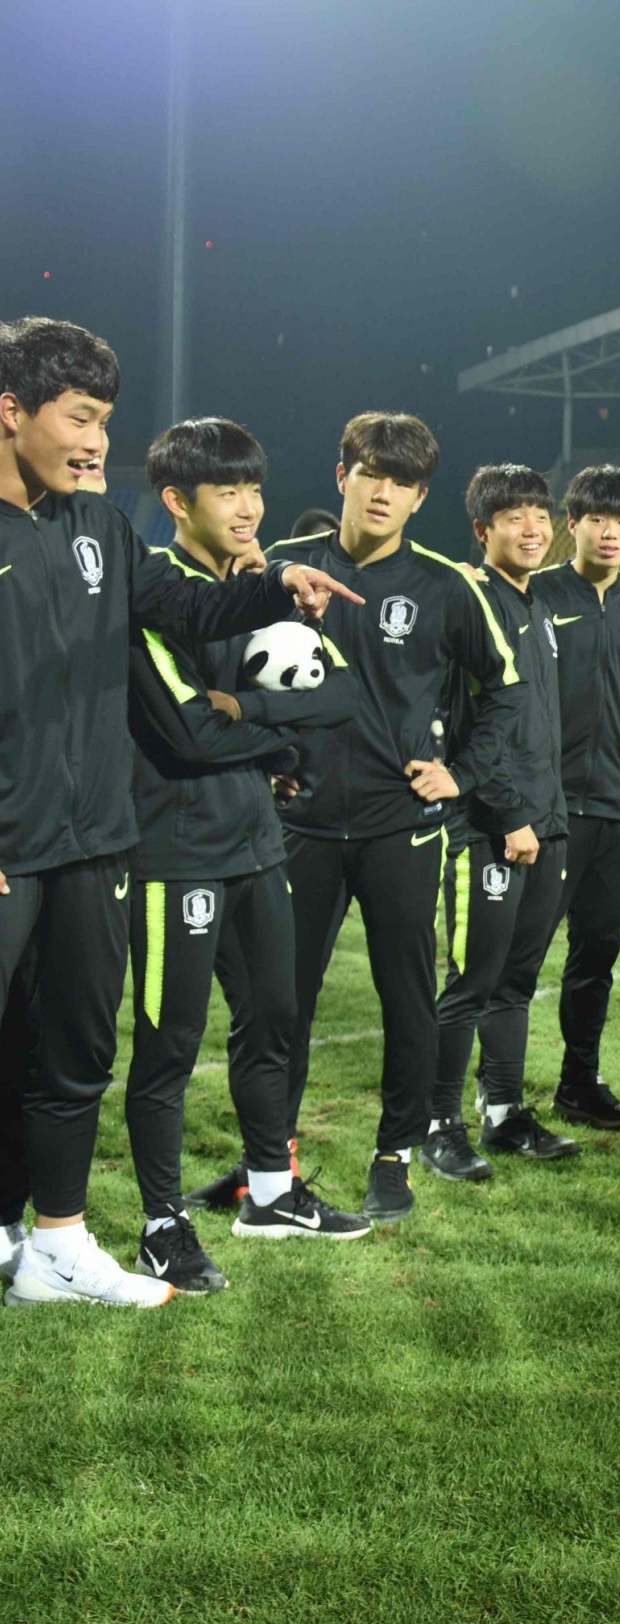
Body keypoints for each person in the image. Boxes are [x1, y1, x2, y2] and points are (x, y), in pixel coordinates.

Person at [0, 317, 357, 1308]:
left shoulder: (98, 525)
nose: (95, 442)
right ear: (9, 410)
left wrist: (275, 584)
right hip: (6, 842)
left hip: (93, 840)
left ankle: (57, 1245)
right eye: (79, 418)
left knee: (68, 1050)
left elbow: (182, 603)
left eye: (105, 422)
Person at [250, 411, 525, 1226]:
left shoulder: (445, 585)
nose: (383, 490)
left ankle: (393, 1154)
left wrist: (460, 773)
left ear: (418, 497)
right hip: (297, 826)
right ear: (342, 476)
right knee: (279, 1004)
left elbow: (505, 693)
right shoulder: (284, 569)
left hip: (400, 826)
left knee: (405, 998)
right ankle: (271, 1161)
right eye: (370, 471)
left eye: (401, 480)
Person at [124, 418, 375, 1287]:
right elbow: (188, 734)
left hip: (257, 845)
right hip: (174, 851)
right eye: (226, 490)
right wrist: (265, 738)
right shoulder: (155, 590)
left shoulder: (268, 585)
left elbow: (341, 693)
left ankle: (272, 1191)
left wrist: (255, 719)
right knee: (170, 1045)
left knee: (274, 1017)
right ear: (176, 501)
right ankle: (161, 1224)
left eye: (253, 489)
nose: (246, 506)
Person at [485, 464, 620, 1135]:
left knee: (597, 955)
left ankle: (579, 1082)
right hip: (550, 810)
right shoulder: (537, 593)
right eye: (598, 518)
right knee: (519, 957)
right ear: (574, 524)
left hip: (619, 811)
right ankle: (496, 1092)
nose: (612, 531)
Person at [422, 464, 580, 1178]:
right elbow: (462, 728)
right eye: (514, 516)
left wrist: (546, 815)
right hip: (489, 826)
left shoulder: (538, 606)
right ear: (483, 529)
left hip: (546, 823)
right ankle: (437, 1123)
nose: (533, 528)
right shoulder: (469, 601)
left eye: (540, 514)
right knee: (470, 980)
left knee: (516, 979)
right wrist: (509, 813)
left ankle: (503, 1112)